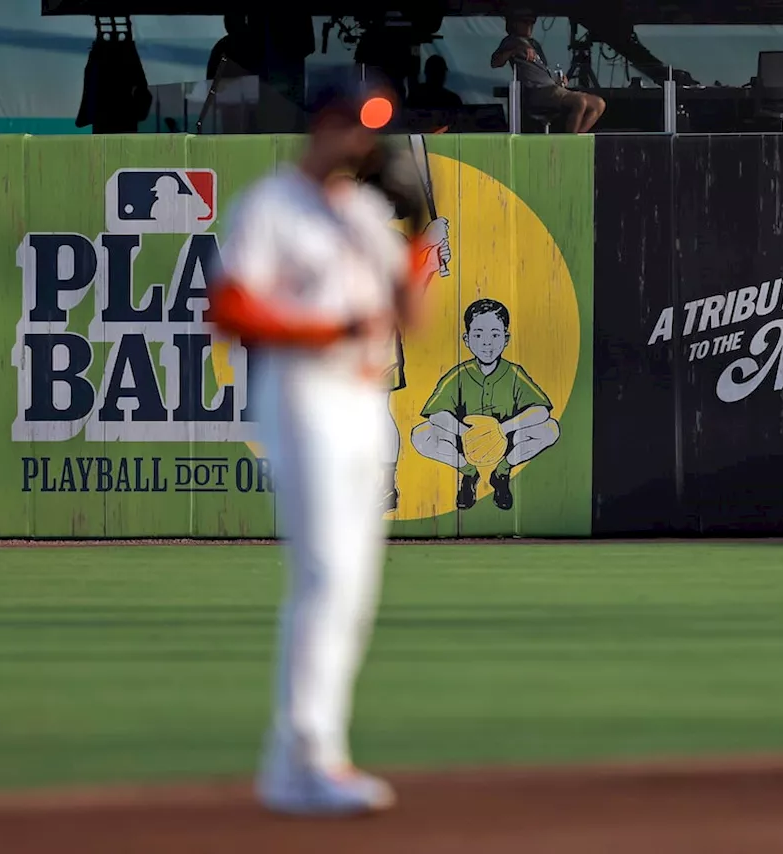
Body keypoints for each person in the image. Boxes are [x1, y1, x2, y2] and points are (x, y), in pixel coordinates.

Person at [206, 72, 444, 816]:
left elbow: (409, 318)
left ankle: (296, 764)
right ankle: (314, 755)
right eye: (351, 122)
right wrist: (328, 330)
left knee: (356, 589)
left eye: (372, 126)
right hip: (301, 395)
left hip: (363, 400)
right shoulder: (272, 205)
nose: (362, 137)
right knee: (326, 575)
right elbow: (232, 307)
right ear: (321, 125)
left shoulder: (365, 216)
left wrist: (413, 239)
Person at [410, 298, 560, 511]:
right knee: (421, 434)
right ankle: (469, 474)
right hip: (466, 442)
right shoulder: (460, 374)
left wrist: (502, 429)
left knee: (551, 429)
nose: (486, 343)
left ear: (506, 339)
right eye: (478, 335)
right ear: (467, 339)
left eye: (495, 335)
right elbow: (436, 414)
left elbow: (541, 411)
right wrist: (464, 432)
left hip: (506, 441)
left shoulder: (513, 373)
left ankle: (502, 473)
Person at [490, 11, 605, 133]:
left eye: (532, 22)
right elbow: (495, 62)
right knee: (579, 102)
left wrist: (557, 79)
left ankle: (575, 139)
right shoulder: (511, 41)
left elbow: (542, 71)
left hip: (552, 88)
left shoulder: (534, 44)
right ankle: (569, 143)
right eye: (525, 21)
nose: (530, 25)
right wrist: (514, 51)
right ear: (514, 24)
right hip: (538, 91)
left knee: (598, 104)